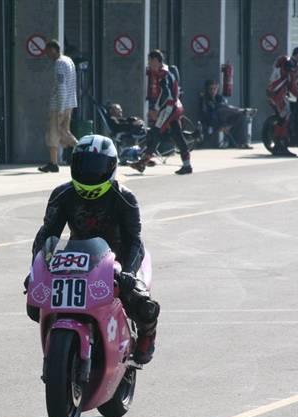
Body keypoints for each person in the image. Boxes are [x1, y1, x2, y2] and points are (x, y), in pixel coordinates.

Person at [27, 134, 160, 364]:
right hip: (78, 257)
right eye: (84, 165)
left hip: (120, 258)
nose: (90, 173)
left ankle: (147, 336)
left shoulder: (125, 197)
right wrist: (36, 269)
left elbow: (134, 240)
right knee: (34, 305)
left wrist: (128, 272)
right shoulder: (62, 194)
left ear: (111, 167)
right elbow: (48, 234)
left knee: (144, 304)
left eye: (96, 167)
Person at [130, 49, 192, 175]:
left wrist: (156, 109)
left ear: (157, 61)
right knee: (177, 135)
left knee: (155, 132)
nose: (149, 63)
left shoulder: (164, 74)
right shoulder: (158, 71)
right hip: (171, 106)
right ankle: (187, 165)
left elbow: (166, 95)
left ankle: (143, 162)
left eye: (151, 61)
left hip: (169, 107)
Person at [38, 39, 78, 173]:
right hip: (70, 103)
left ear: (54, 49)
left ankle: (54, 162)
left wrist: (60, 108)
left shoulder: (59, 64)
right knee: (64, 131)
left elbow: (61, 86)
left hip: (59, 105)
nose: (47, 54)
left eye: (48, 51)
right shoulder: (69, 61)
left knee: (53, 133)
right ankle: (82, 149)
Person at [266, 46, 298, 157]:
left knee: (281, 117)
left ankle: (278, 144)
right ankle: (280, 145)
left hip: (272, 92)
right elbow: (292, 85)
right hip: (278, 93)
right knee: (285, 117)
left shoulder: (284, 60)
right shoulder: (292, 64)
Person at [199, 79, 255, 149]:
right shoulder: (204, 100)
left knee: (242, 116)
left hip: (225, 119)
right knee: (221, 109)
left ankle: (243, 143)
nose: (213, 91)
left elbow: (226, 110)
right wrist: (218, 126)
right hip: (215, 121)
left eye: (215, 88)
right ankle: (241, 110)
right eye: (211, 89)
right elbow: (206, 116)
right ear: (207, 89)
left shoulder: (220, 98)